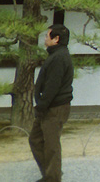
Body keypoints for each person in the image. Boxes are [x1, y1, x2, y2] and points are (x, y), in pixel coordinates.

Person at [29, 24, 74, 182]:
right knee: (35, 139)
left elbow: (52, 87)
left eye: (47, 36)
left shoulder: (59, 57)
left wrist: (41, 106)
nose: (44, 39)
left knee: (51, 145)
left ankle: (53, 178)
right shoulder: (56, 55)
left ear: (56, 39)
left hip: (54, 108)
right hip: (49, 106)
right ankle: (51, 174)